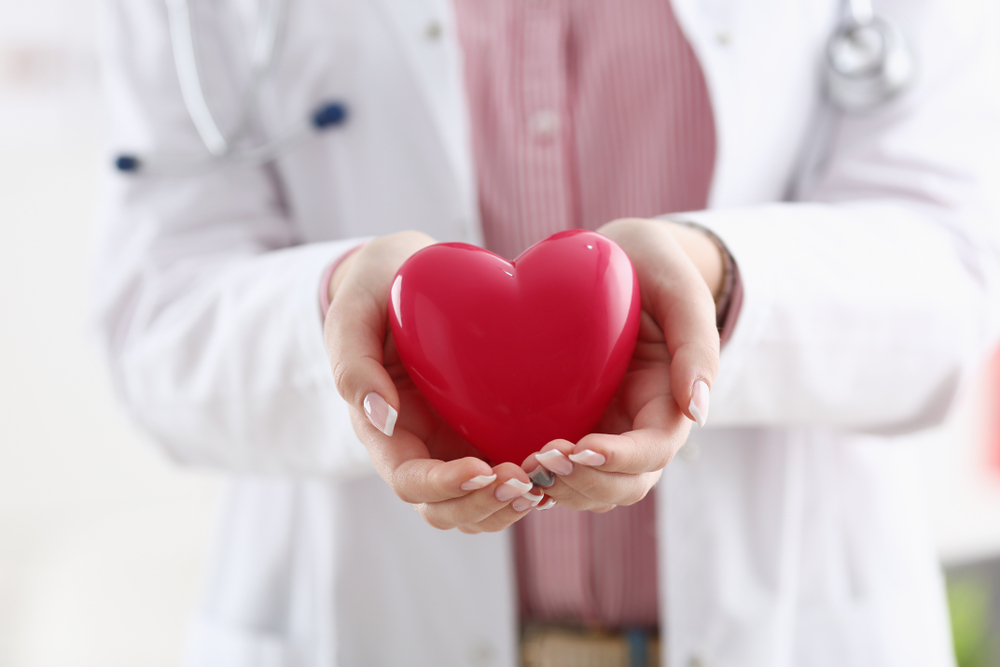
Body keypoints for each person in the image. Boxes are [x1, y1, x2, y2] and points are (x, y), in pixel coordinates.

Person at [93, 0, 1000, 665]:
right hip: (355, 629)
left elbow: (950, 288)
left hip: (796, 629)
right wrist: (340, 305)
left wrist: (716, 282)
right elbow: (156, 330)